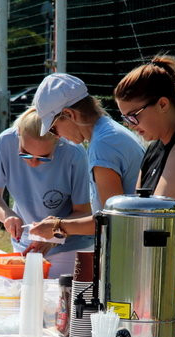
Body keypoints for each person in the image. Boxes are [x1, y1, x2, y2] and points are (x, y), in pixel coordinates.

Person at [113, 56, 175, 336]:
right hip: (164, 278)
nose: (130, 125)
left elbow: (153, 219)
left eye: (134, 115)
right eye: (124, 118)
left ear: (163, 104)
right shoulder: (155, 147)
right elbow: (138, 214)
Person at [0, 106, 92, 277]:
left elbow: (83, 212)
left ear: (58, 139)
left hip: (70, 247)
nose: (32, 163)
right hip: (25, 244)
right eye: (25, 154)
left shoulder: (74, 153)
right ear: (18, 133)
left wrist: (53, 237)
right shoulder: (4, 143)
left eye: (43, 158)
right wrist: (8, 215)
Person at [29, 73, 143, 238]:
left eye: (53, 129)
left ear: (69, 115)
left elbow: (112, 220)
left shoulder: (103, 145)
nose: (57, 136)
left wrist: (57, 226)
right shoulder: (108, 133)